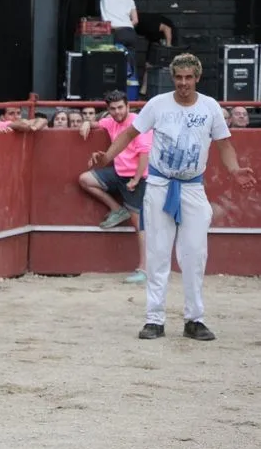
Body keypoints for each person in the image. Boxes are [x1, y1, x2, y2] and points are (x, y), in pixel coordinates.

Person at [90, 53, 256, 341]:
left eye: (188, 77)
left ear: (197, 78)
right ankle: (154, 319)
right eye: (178, 77)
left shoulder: (210, 107)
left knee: (195, 254)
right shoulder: (157, 104)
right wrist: (108, 156)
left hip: (192, 186)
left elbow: (224, 145)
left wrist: (234, 170)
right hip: (159, 184)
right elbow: (129, 134)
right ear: (173, 78)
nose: (183, 83)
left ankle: (195, 319)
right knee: (157, 252)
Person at [78, 90, 151, 284]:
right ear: (108, 110)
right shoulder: (110, 122)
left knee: (140, 225)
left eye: (120, 107)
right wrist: (86, 122)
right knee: (86, 179)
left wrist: (136, 179)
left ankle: (144, 269)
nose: (117, 112)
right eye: (113, 109)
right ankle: (117, 209)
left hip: (137, 177)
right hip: (119, 172)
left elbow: (145, 154)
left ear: (128, 106)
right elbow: (97, 123)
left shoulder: (138, 123)